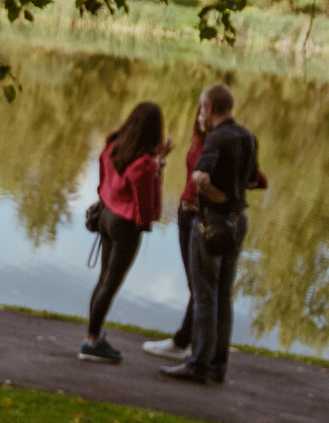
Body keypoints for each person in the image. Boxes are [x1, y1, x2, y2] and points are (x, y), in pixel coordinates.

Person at [161, 81, 258, 385]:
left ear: (209, 108)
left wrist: (216, 196)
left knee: (204, 294)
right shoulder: (247, 136)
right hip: (239, 221)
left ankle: (198, 364)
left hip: (212, 223)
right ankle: (218, 366)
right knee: (224, 295)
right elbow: (253, 178)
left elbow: (200, 176)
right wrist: (232, 197)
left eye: (202, 106)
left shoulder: (216, 138)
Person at [79, 100, 166, 362]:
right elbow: (147, 207)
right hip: (125, 226)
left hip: (106, 215)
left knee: (103, 279)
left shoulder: (113, 147)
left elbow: (103, 184)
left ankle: (93, 336)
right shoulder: (145, 163)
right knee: (111, 283)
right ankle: (91, 343)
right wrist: (159, 168)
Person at [140, 98, 213, 361]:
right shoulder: (198, 141)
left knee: (198, 283)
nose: (203, 118)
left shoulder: (218, 144)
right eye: (201, 112)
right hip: (184, 214)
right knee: (195, 282)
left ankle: (184, 342)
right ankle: (192, 342)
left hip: (198, 215)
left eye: (208, 113)